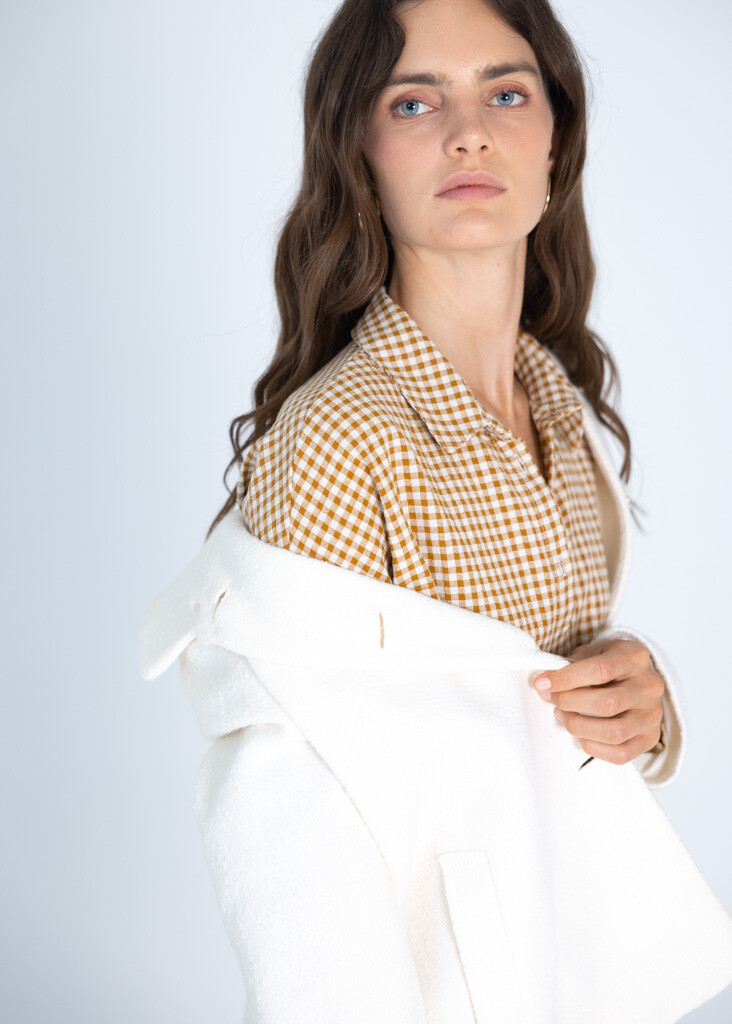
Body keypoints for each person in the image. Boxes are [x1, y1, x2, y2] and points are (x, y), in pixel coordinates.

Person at [139, 0, 732, 1019]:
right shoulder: (340, 436)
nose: (470, 133)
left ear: (556, 141)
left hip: (569, 969)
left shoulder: (558, 402)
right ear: (357, 154)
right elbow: (287, 810)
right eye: (414, 103)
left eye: (507, 93)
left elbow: (512, 689)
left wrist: (644, 699)